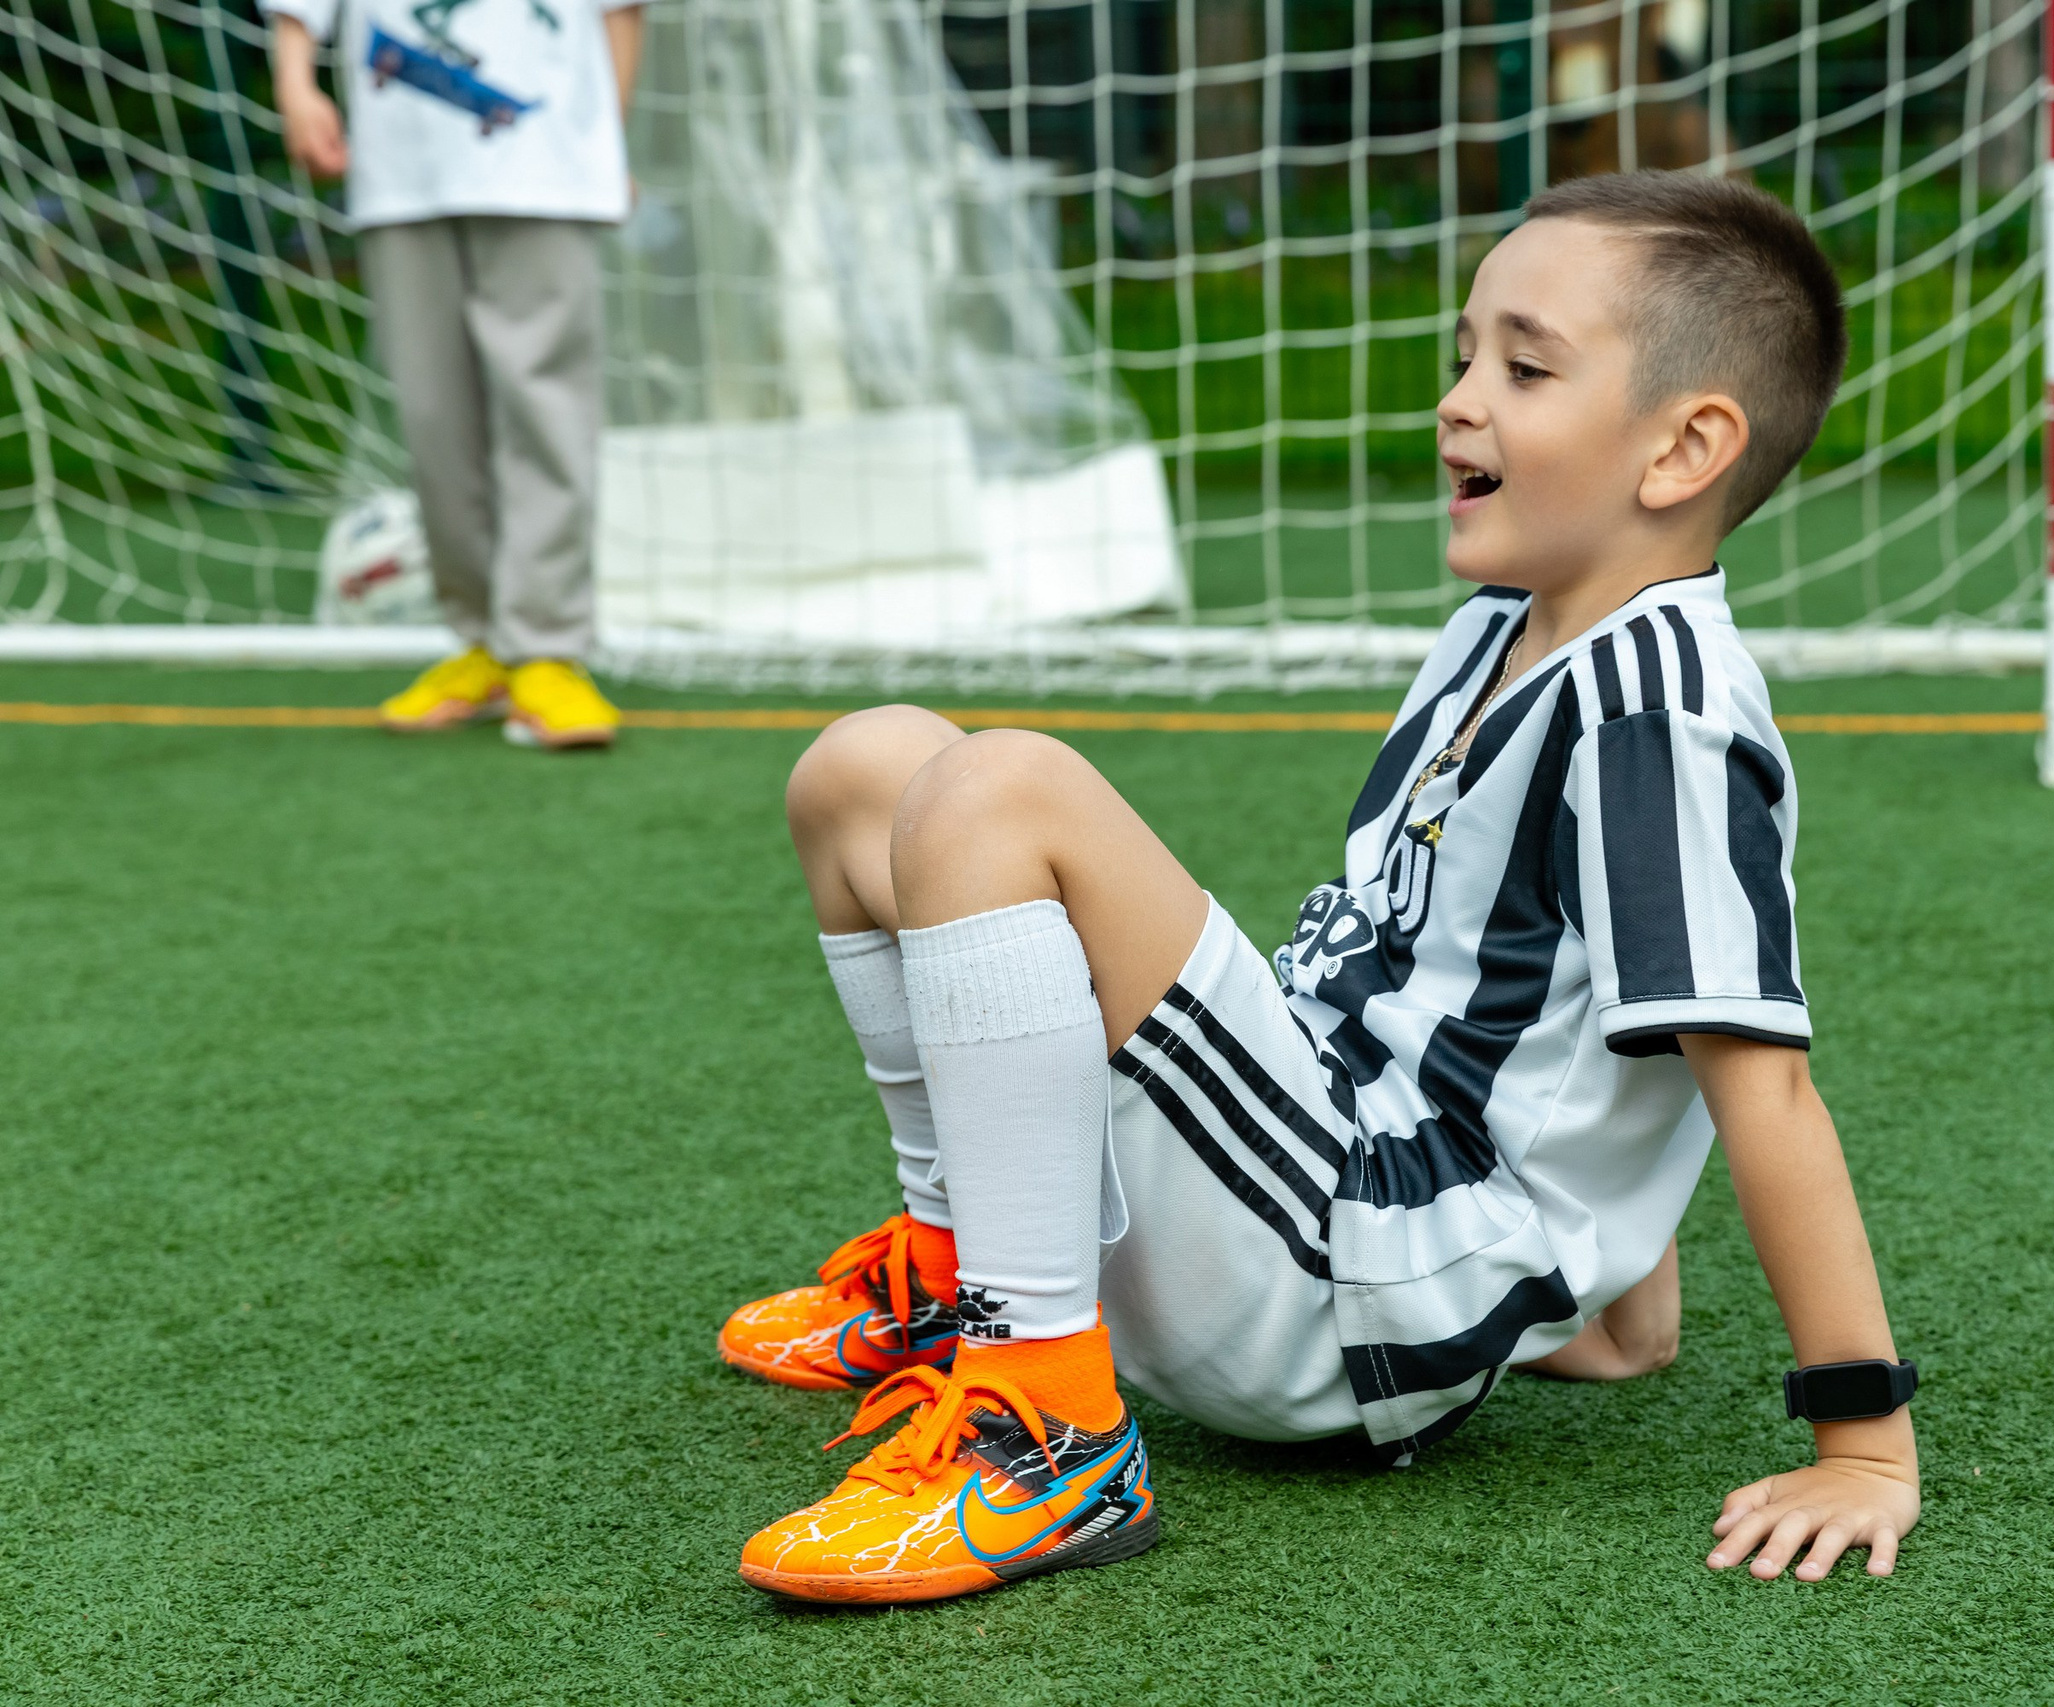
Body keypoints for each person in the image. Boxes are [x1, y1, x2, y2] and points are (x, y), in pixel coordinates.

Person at [717, 170, 1922, 1604]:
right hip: (1305, 1175)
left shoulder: (1660, 710)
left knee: (1001, 788)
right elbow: (1566, 1016)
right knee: (866, 768)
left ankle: (1047, 1431)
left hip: (1354, 1256)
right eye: (1465, 353)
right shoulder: (1510, 625)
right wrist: (1613, 1305)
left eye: (1525, 366)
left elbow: (1753, 1074)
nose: (1462, 399)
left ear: (1684, 450)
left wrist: (1861, 1440)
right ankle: (960, 1270)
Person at [267, 0, 644, 750]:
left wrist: (607, 140)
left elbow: (622, 12)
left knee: (547, 411)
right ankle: (481, 640)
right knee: (436, 420)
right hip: (400, 174)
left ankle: (544, 645)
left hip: (544, 168)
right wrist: (296, 85)